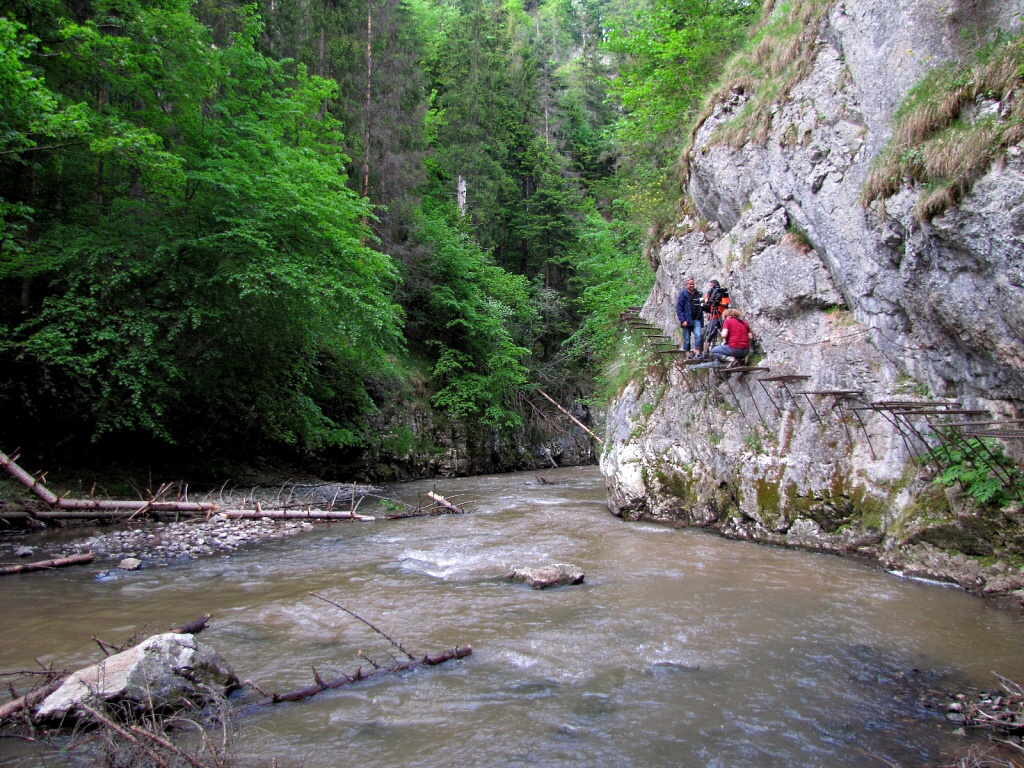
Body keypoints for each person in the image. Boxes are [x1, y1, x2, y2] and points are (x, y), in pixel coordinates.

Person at [675, 277, 704, 358]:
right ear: (686, 285)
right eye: (690, 284)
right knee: (687, 338)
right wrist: (683, 320)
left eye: (693, 284)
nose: (692, 286)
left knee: (698, 335)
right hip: (687, 320)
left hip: (696, 319)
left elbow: (703, 306)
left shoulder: (698, 294)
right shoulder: (683, 295)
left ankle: (698, 352)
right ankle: (688, 353)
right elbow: (679, 309)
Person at [701, 280, 730, 357]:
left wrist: (718, 302)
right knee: (709, 334)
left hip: (722, 316)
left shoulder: (723, 293)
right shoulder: (709, 293)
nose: (710, 288)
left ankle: (727, 349)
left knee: (725, 333)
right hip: (713, 316)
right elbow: (706, 304)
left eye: (711, 286)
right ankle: (706, 352)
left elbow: (726, 304)